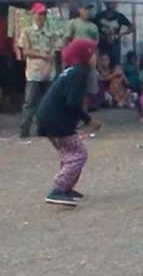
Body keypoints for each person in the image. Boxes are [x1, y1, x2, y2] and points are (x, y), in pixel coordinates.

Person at [35, 38, 102, 206]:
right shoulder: (80, 73)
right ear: (84, 55)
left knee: (68, 154)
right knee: (78, 154)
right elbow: (73, 102)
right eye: (93, 54)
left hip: (48, 117)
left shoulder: (72, 70)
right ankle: (58, 189)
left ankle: (66, 188)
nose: (96, 57)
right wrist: (88, 120)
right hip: (56, 120)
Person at [18, 2, 58, 138]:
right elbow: (26, 51)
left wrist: (50, 58)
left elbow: (55, 50)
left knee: (47, 102)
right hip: (34, 72)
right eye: (39, 13)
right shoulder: (27, 32)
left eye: (43, 14)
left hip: (48, 71)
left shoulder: (50, 33)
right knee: (30, 102)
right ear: (33, 14)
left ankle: (45, 129)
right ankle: (24, 131)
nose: (41, 16)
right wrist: (43, 55)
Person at [94, 0, 133, 67]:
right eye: (108, 2)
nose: (110, 4)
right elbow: (92, 29)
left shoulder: (119, 16)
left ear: (115, 3)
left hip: (114, 45)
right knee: (101, 65)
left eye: (112, 2)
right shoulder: (99, 16)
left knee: (115, 65)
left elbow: (132, 27)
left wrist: (120, 34)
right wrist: (100, 36)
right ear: (105, 3)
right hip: (102, 46)